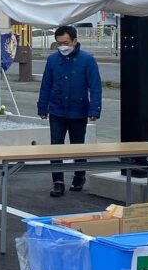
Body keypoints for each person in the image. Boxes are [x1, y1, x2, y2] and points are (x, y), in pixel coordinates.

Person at [38, 24, 102, 197]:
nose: (62, 47)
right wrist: (42, 107)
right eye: (59, 43)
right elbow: (46, 85)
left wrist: (94, 110)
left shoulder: (87, 60)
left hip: (78, 110)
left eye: (65, 43)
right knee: (56, 146)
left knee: (77, 145)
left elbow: (95, 87)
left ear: (74, 41)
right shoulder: (52, 60)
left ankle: (79, 175)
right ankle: (57, 182)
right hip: (57, 109)